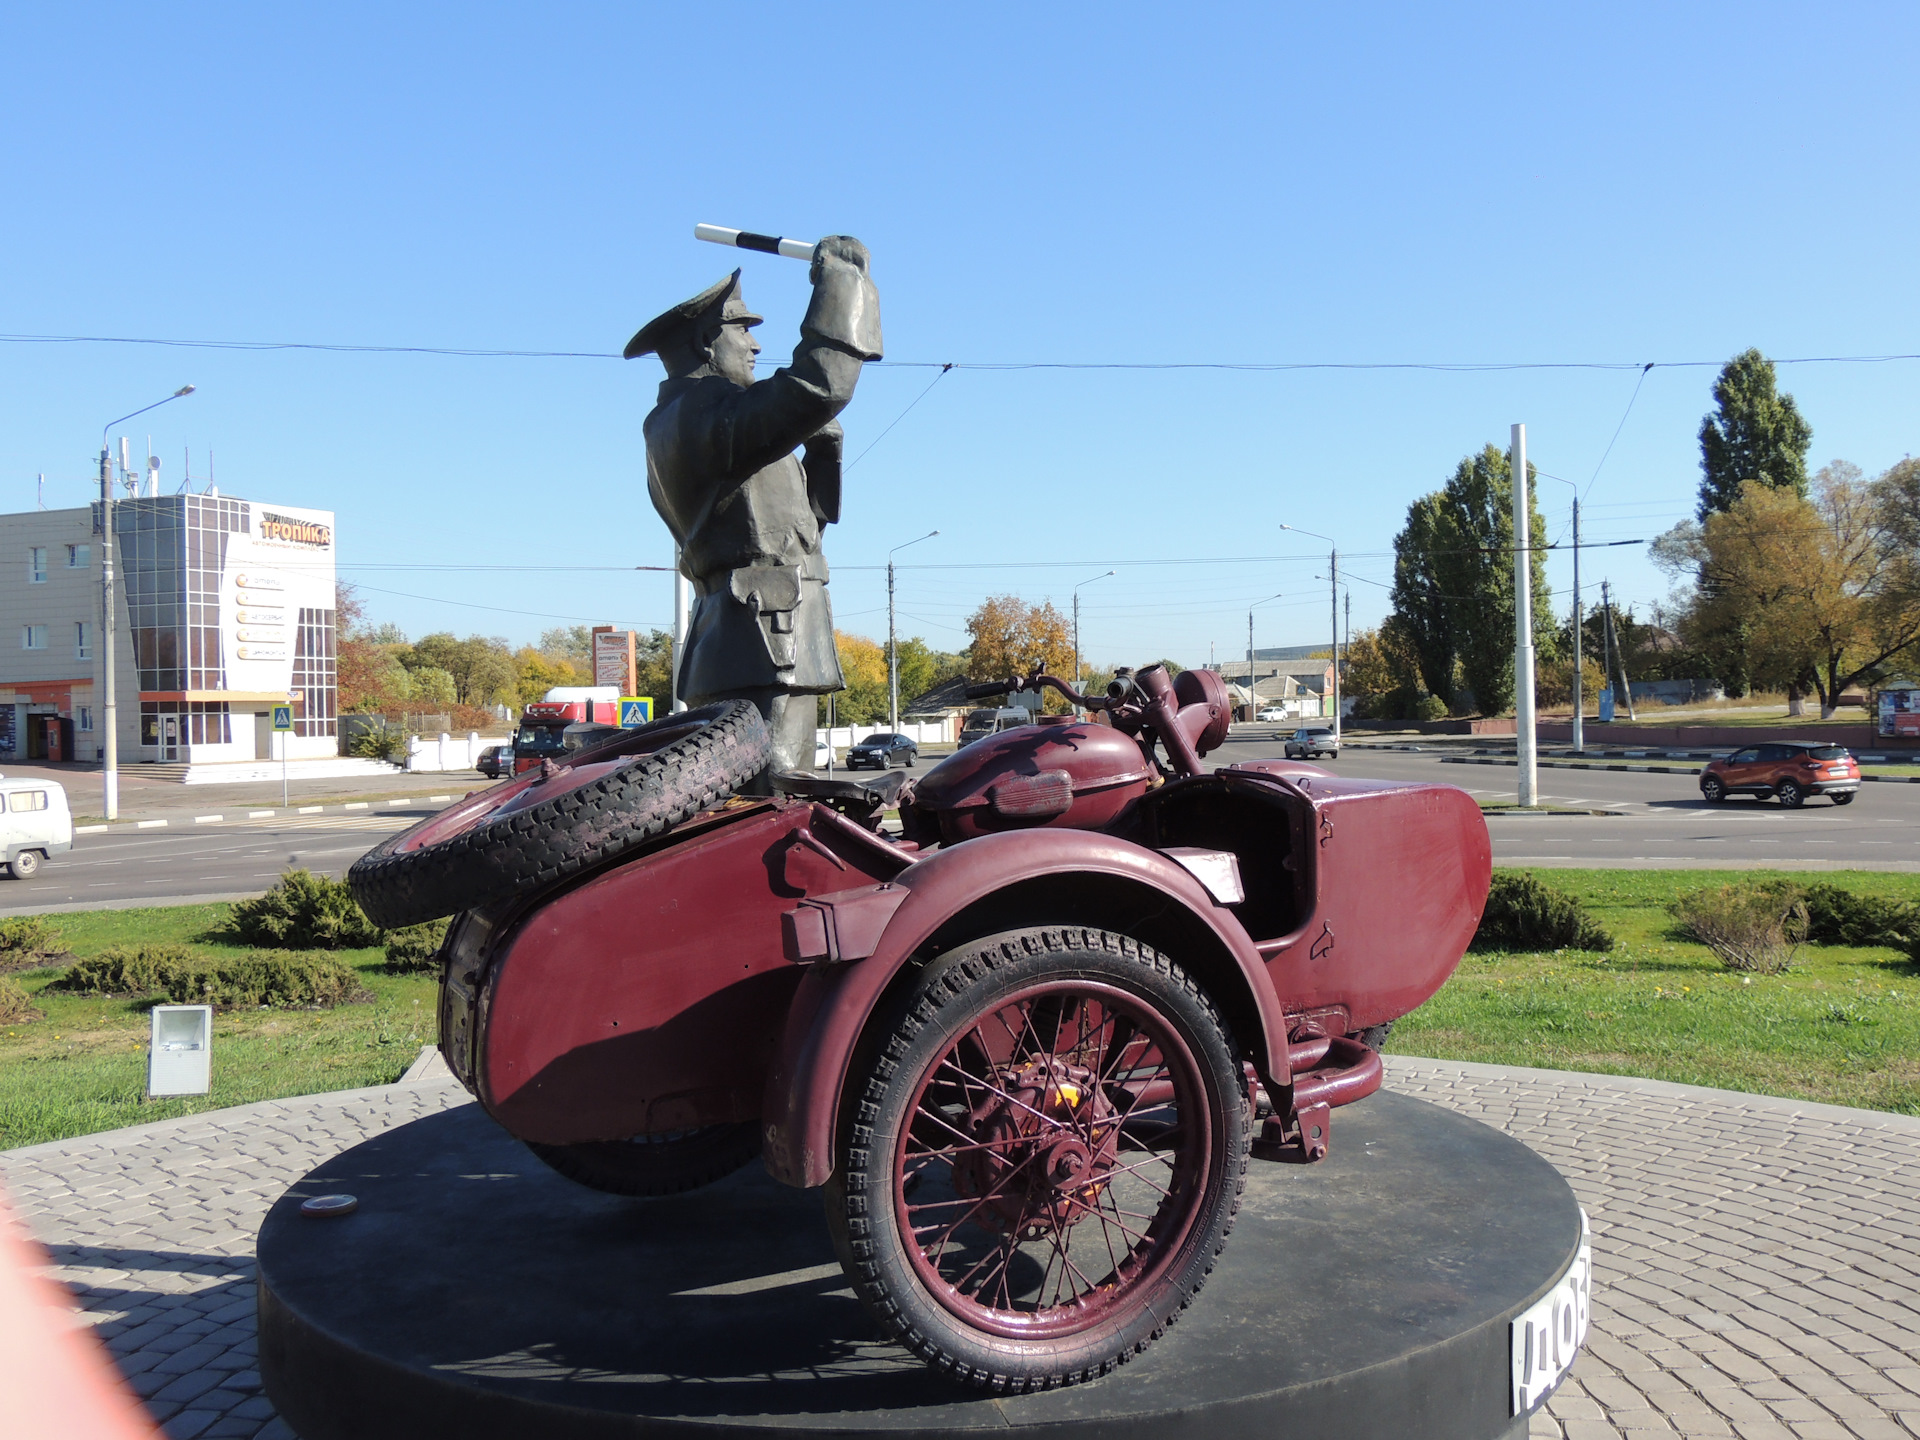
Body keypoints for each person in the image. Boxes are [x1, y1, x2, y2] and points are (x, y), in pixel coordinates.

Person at [627, 237, 882, 782]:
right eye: (742, 329)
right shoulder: (703, 415)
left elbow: (795, 531)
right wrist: (841, 282)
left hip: (753, 635)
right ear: (703, 343)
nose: (755, 346)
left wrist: (820, 451)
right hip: (767, 641)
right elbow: (819, 383)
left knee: (756, 802)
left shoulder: (689, 420)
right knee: (773, 809)